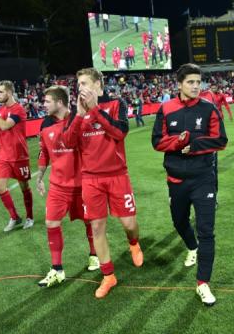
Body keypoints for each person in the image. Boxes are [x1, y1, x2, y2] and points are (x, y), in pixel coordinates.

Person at [63, 68, 143, 299]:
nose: (81, 89)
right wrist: (79, 115)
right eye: (79, 85)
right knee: (97, 227)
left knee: (129, 224)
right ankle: (108, 275)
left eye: (85, 83)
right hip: (90, 178)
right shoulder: (75, 112)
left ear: (98, 83)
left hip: (117, 175)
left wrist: (95, 109)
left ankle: (134, 243)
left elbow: (120, 132)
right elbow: (68, 142)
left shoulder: (117, 104)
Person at [151, 63, 228, 306]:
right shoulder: (166, 108)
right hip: (176, 180)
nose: (196, 86)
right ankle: (191, 247)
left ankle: (202, 283)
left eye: (198, 82)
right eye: (190, 82)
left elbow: (221, 140)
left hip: (203, 178)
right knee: (179, 222)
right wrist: (176, 143)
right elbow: (156, 141)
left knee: (207, 231)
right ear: (179, 84)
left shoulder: (209, 108)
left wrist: (194, 146)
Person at [36, 86, 100, 288]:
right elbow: (44, 153)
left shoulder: (78, 119)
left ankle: (94, 255)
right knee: (51, 223)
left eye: (47, 101)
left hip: (82, 184)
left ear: (60, 102)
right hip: (57, 186)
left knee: (89, 222)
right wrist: (39, 177)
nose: (43, 105)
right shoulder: (45, 125)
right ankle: (57, 269)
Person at [0, 80, 33, 232]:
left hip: (19, 156)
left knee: (24, 187)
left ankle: (29, 216)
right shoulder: (1, 110)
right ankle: (15, 217)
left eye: (1, 92)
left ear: (9, 92)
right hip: (3, 155)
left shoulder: (18, 109)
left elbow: (4, 125)